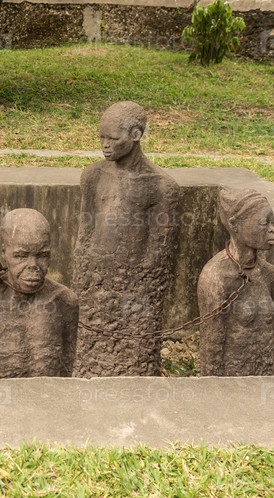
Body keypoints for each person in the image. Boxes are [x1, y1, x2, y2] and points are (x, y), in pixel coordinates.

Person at [72, 101, 180, 377]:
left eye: (112, 139)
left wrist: (137, 285)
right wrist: (86, 274)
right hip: (94, 280)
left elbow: (158, 253)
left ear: (135, 135)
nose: (105, 145)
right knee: (91, 345)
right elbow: (85, 231)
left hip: (134, 284)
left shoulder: (161, 186)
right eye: (101, 138)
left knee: (132, 351)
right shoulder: (92, 175)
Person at [0, 208, 78, 378]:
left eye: (42, 255)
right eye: (21, 256)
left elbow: (67, 370)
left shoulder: (64, 301)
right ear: (4, 253)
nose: (33, 265)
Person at [198, 188, 274, 376]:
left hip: (264, 377)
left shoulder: (269, 274)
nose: (272, 229)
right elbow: (211, 349)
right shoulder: (216, 277)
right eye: (264, 223)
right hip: (232, 382)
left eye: (273, 221)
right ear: (235, 225)